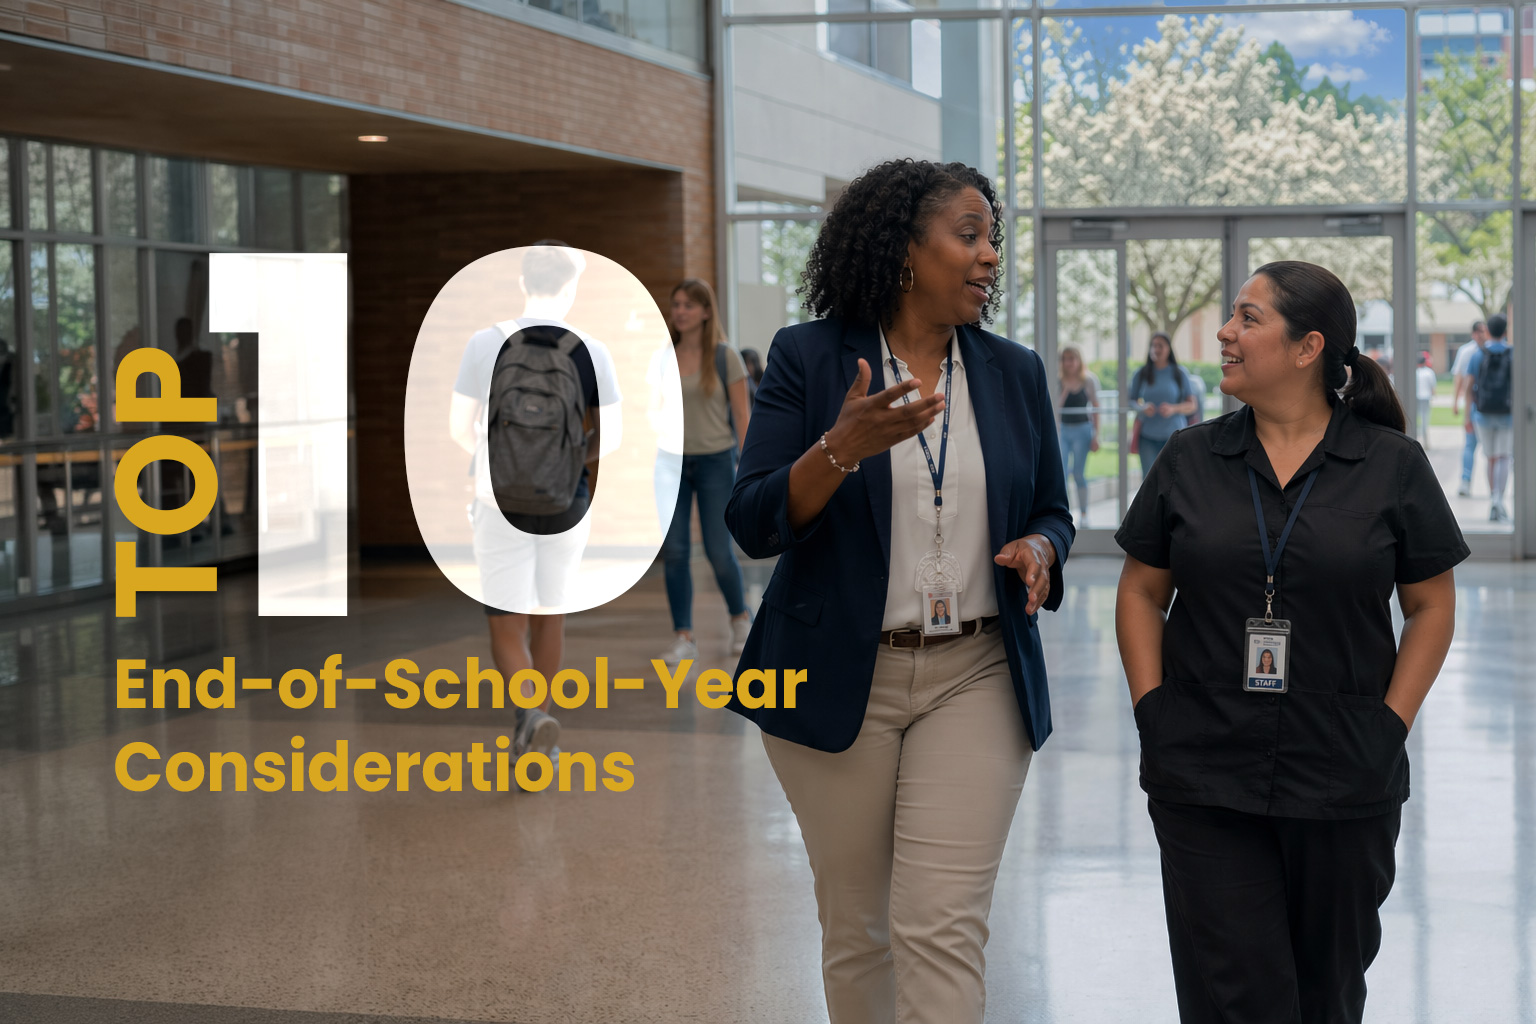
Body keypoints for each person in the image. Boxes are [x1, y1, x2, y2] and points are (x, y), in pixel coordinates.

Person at [726, 158, 1074, 1024]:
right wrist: (839, 447)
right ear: (904, 248)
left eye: (993, 236)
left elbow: (1054, 511)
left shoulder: (1012, 371)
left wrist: (1040, 545)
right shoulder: (809, 358)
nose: (989, 255)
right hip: (837, 673)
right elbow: (753, 521)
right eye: (969, 235)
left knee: (941, 927)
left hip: (976, 672)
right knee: (860, 931)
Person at [1115, 261, 1465, 1024]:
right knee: (1234, 998)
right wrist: (1152, 710)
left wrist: (1390, 724)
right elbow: (1143, 589)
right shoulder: (1190, 458)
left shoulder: (1392, 466)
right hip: (1204, 769)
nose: (1226, 334)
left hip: (1343, 773)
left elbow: (1431, 606)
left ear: (1308, 348)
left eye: (1247, 318)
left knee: (1327, 997)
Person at [448, 242, 622, 779]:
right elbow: (610, 437)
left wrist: (501, 460)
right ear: (570, 288)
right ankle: (542, 728)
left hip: (495, 499)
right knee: (551, 614)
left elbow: (460, 427)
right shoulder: (591, 349)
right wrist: (565, 463)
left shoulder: (485, 342)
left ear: (523, 282)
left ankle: (526, 715)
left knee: (506, 620)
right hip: (565, 501)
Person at [655, 278, 754, 665]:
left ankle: (740, 618)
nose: (680, 311)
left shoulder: (725, 356)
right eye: (676, 304)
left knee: (717, 549)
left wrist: (750, 467)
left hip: (716, 460)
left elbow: (742, 415)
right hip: (671, 463)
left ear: (706, 312)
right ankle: (683, 636)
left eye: (688, 305)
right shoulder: (663, 355)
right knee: (676, 551)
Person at [1466, 313, 1514, 523]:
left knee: (1491, 458)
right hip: (1507, 414)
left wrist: (1468, 416)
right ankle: (1498, 499)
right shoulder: (1513, 354)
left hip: (1482, 414)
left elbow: (1469, 388)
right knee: (1504, 456)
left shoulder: (1478, 354)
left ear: (1487, 331)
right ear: (1505, 331)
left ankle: (1493, 501)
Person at [1129, 332, 1198, 473]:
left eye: (1160, 345)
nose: (1156, 349)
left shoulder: (1179, 373)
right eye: (1153, 346)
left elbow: (1192, 405)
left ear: (1169, 349)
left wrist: (1173, 409)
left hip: (1174, 436)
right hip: (1147, 436)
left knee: (1172, 480)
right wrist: (1142, 408)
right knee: (1148, 479)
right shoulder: (1141, 373)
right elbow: (1130, 402)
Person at [1057, 345, 1100, 521]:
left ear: (1079, 360)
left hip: (1083, 430)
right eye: (1066, 359)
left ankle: (1083, 512)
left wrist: (1096, 435)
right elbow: (1054, 407)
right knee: (1061, 472)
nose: (1070, 363)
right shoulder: (1057, 381)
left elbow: (1096, 407)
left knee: (1079, 473)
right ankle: (1063, 512)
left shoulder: (1089, 380)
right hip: (1064, 431)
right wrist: (1066, 389)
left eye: (1073, 358)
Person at [1450, 320, 1488, 497]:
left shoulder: (1485, 351)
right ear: (1474, 334)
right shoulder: (1467, 352)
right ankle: (1466, 482)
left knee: (1489, 449)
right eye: (1480, 331)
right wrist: (1456, 402)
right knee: (1470, 445)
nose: (1483, 335)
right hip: (1474, 404)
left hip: (1483, 406)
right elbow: (1460, 379)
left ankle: (1493, 487)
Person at [1414, 351, 1436, 449]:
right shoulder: (1429, 372)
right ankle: (1426, 442)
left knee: (1416, 419)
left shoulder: (1415, 372)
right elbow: (1433, 387)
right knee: (1424, 419)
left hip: (1416, 397)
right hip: (1425, 397)